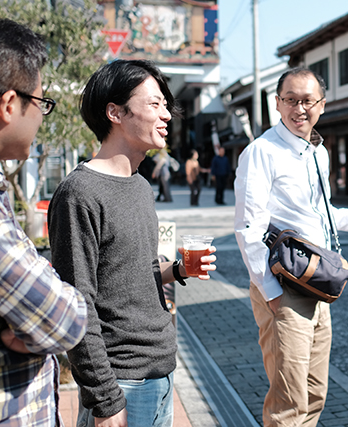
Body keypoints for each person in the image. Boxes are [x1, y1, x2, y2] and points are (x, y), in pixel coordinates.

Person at [49, 59, 216, 427]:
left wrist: (178, 270)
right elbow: (78, 305)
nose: (167, 116)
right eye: (154, 104)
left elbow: (132, 276)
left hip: (162, 374)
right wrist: (104, 400)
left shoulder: (141, 186)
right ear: (115, 112)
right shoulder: (79, 194)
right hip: (121, 383)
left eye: (165, 106)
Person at [0, 9, 88, 425]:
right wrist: (40, 321)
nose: (42, 116)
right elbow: (64, 319)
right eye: (41, 102)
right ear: (8, 104)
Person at [234, 67, 348, 426]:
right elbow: (248, 228)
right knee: (288, 402)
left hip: (316, 281)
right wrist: (271, 293)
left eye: (307, 100)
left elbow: (321, 215)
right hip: (283, 285)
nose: (298, 108)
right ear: (277, 103)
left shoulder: (316, 153)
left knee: (314, 393)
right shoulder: (262, 152)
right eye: (290, 100)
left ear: (322, 105)